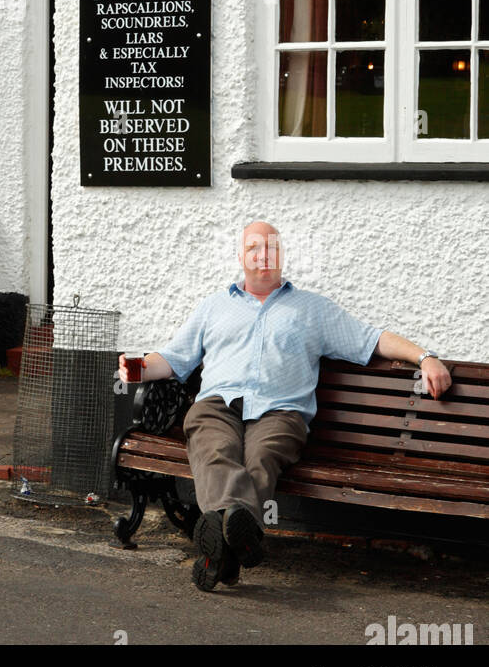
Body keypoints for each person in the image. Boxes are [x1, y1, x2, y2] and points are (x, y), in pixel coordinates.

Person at [118, 221, 452, 592]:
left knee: (261, 458)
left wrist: (425, 357)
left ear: (282, 254)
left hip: (281, 412)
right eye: (253, 248)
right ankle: (239, 536)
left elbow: (372, 340)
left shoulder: (312, 309)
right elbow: (174, 358)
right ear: (240, 256)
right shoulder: (213, 306)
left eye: (271, 247)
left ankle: (220, 551)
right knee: (215, 450)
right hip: (218, 403)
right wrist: (139, 368)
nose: (263, 255)